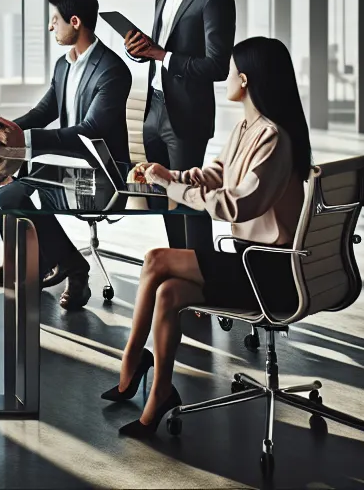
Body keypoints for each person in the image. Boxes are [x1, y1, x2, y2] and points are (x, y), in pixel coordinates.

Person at [103, 36, 311, 439]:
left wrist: (173, 190)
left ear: (246, 80)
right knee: (168, 294)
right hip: (250, 263)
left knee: (156, 260)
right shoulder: (247, 127)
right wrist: (170, 175)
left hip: (269, 272)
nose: (225, 78)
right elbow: (216, 175)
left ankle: (130, 363)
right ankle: (158, 394)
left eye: (231, 71)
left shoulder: (273, 136)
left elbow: (237, 205)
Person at [0, 0, 132, 309]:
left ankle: (70, 270)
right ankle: (46, 265)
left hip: (100, 173)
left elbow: (91, 131)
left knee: (13, 193)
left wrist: (26, 141)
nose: (51, 27)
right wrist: (7, 132)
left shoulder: (112, 70)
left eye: (55, 20)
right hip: (65, 165)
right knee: (4, 197)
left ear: (74, 22)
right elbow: (43, 112)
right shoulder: (64, 65)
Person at [121, 0, 234, 253]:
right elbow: (161, 52)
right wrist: (139, 51)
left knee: (188, 201)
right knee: (159, 197)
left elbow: (217, 67)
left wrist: (160, 55)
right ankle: (180, 270)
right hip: (154, 110)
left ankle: (203, 279)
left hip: (186, 115)